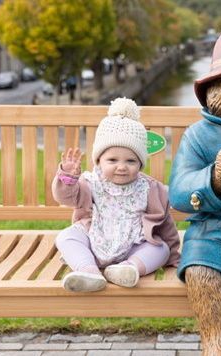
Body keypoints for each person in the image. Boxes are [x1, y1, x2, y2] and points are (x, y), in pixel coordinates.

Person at [52, 97, 180, 292]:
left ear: (140, 163)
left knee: (160, 249)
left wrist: (172, 255)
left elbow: (166, 224)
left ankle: (127, 270)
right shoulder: (89, 182)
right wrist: (68, 178)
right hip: (94, 240)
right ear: (99, 160)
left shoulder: (150, 188)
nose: (121, 167)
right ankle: (89, 271)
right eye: (112, 160)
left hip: (134, 248)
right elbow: (66, 197)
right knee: (66, 237)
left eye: (131, 161)